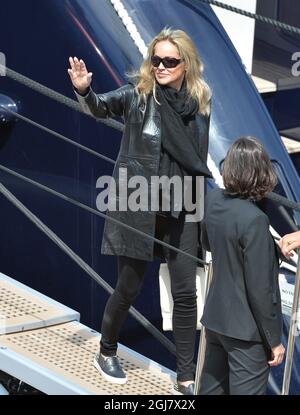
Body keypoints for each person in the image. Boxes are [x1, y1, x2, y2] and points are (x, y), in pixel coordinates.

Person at [68, 27, 212, 395]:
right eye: (156, 59)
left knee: (185, 294)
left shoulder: (200, 104)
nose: (161, 66)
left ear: (186, 65)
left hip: (183, 205)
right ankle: (107, 349)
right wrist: (84, 89)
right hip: (139, 204)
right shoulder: (139, 96)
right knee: (128, 287)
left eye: (169, 61)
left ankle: (184, 376)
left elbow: (196, 160)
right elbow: (101, 107)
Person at [199, 137, 285, 395]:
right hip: (247, 335)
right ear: (261, 172)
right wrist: (274, 341)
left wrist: (267, 248)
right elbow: (261, 291)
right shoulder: (256, 220)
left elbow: (209, 243)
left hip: (216, 320)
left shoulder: (213, 200)